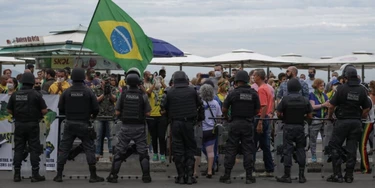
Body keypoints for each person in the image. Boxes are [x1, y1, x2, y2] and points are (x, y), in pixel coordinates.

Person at [54, 68, 104, 183]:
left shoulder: (66, 92)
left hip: (69, 123)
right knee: (89, 148)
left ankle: (59, 175)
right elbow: (96, 108)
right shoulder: (88, 91)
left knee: (64, 149)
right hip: (84, 123)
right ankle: (93, 175)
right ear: (82, 78)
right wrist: (92, 116)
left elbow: (60, 107)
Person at [326, 64, 371, 183]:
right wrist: (360, 116)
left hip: (342, 121)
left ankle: (337, 175)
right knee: (352, 148)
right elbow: (367, 107)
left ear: (345, 76)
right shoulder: (362, 89)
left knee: (335, 146)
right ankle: (349, 175)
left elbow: (331, 106)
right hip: (355, 122)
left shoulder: (341, 88)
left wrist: (330, 117)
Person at [106, 68, 152, 183]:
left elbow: (117, 112)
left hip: (125, 127)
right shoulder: (143, 95)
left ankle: (113, 176)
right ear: (138, 81)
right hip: (140, 128)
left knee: (120, 151)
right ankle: (146, 176)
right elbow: (148, 113)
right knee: (143, 152)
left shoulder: (123, 94)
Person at [219, 70, 260, 184]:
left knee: (231, 149)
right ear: (247, 80)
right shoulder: (253, 93)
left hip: (235, 123)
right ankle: (249, 176)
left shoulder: (233, 93)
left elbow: (224, 109)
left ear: (236, 80)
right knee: (248, 150)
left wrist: (227, 117)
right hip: (248, 124)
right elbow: (257, 110)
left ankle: (227, 176)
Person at [7, 72, 48, 182]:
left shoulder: (15, 94)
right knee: (34, 149)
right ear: (32, 82)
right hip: (33, 125)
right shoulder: (36, 94)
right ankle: (35, 174)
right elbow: (44, 110)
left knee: (18, 149)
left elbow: (9, 110)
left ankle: (17, 174)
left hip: (19, 124)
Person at [163, 71, 202, 184]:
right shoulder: (192, 91)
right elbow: (200, 105)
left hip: (175, 123)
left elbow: (162, 107)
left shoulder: (169, 92)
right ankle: (189, 176)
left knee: (178, 150)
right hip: (189, 123)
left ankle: (180, 176)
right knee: (190, 149)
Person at [275, 78, 313, 183]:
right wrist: (304, 119)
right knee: (301, 150)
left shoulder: (285, 99)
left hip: (288, 127)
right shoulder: (304, 99)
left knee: (287, 150)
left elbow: (278, 113)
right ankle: (301, 176)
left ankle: (287, 175)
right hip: (300, 127)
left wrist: (283, 118)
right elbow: (310, 115)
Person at [197, 83, 222, 178]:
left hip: (201, 129)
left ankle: (195, 171)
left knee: (199, 149)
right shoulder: (215, 103)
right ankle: (210, 170)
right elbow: (219, 116)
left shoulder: (200, 103)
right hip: (212, 129)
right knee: (211, 151)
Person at [252, 69, 274, 177]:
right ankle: (269, 169)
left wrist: (260, 121)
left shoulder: (261, 89)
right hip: (266, 117)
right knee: (265, 145)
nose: (253, 77)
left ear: (258, 77)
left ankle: (251, 169)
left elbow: (263, 105)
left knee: (253, 144)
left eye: (254, 75)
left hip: (260, 117)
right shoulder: (268, 87)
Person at [92, 73, 117, 161]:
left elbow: (115, 99)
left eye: (108, 80)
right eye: (105, 81)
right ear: (101, 81)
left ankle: (111, 154)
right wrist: (103, 94)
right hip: (99, 116)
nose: (107, 82)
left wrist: (109, 93)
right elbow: (95, 100)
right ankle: (97, 154)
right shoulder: (96, 89)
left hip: (110, 115)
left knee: (111, 136)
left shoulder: (113, 88)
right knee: (98, 136)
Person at [309, 78, 329, 162]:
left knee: (326, 139)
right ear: (316, 86)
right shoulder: (312, 94)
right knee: (313, 139)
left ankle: (326, 155)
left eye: (323, 85)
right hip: (315, 120)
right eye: (321, 86)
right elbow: (312, 106)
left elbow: (329, 105)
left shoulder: (325, 95)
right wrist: (323, 105)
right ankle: (313, 155)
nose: (322, 87)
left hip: (324, 120)